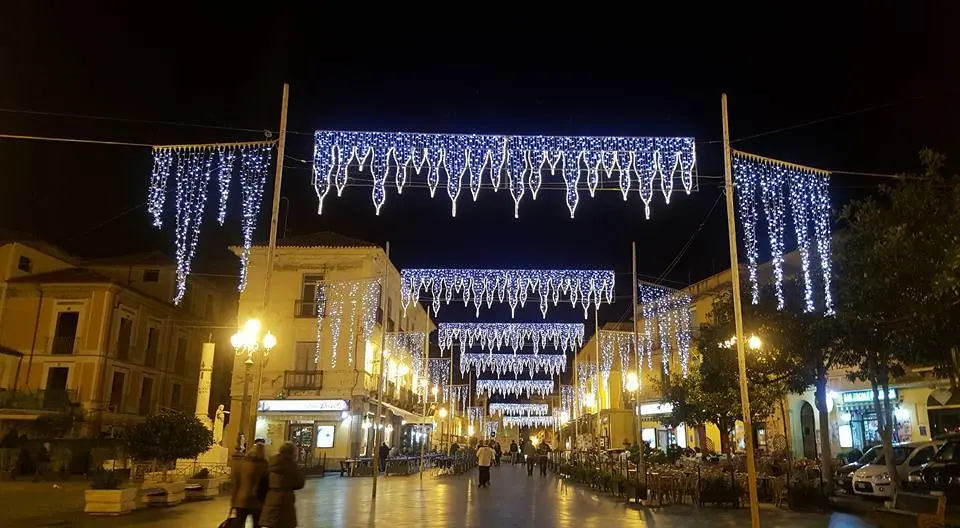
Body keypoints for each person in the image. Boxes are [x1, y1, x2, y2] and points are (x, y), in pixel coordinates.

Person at [260, 442, 305, 528]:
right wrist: (289, 485)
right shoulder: (291, 465)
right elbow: (300, 483)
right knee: (285, 523)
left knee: (271, 524)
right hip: (285, 499)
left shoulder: (271, 462)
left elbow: (263, 482)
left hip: (271, 497)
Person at [231, 444, 269, 528]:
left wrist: (233, 503)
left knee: (238, 524)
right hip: (258, 502)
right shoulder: (266, 466)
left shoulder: (242, 464)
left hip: (241, 501)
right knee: (257, 525)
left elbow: (236, 485)